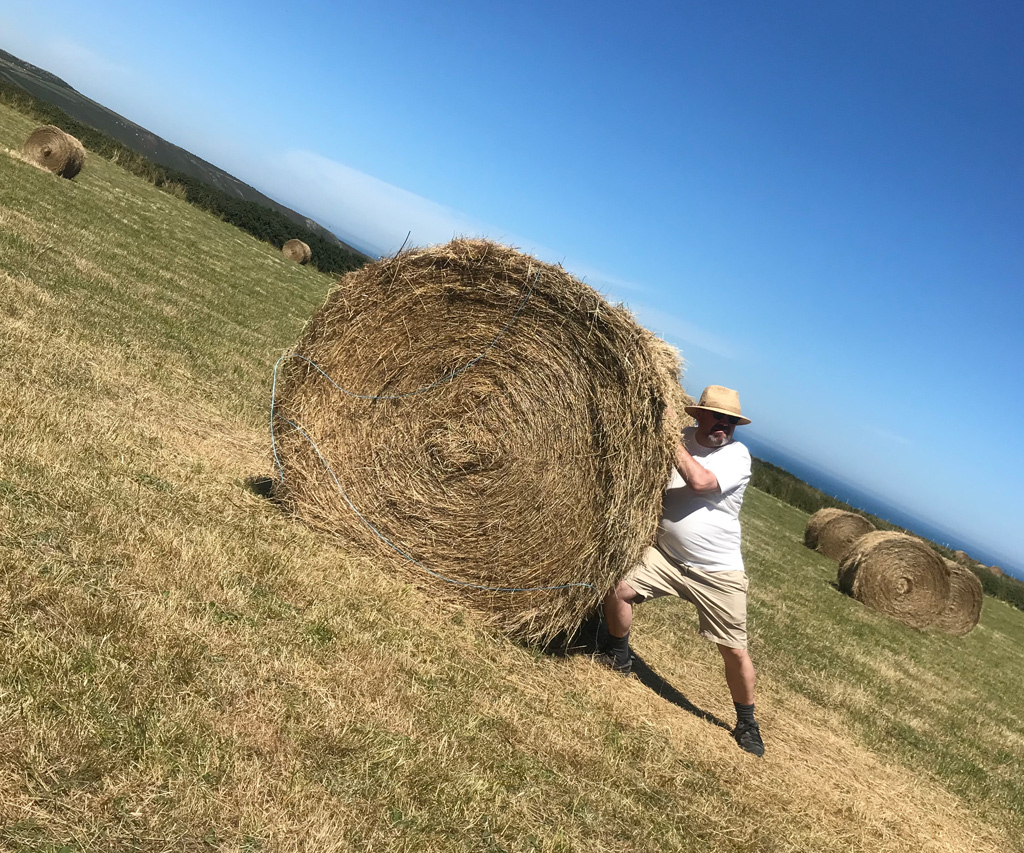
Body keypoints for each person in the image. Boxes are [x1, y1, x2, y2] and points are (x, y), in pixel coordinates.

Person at [597, 385, 764, 757]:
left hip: (716, 571)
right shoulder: (685, 437)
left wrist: (670, 438)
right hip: (666, 558)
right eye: (718, 417)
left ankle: (747, 723)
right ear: (698, 415)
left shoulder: (738, 456)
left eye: (731, 421)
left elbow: (700, 482)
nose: (725, 426)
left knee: (734, 650)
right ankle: (619, 655)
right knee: (617, 587)